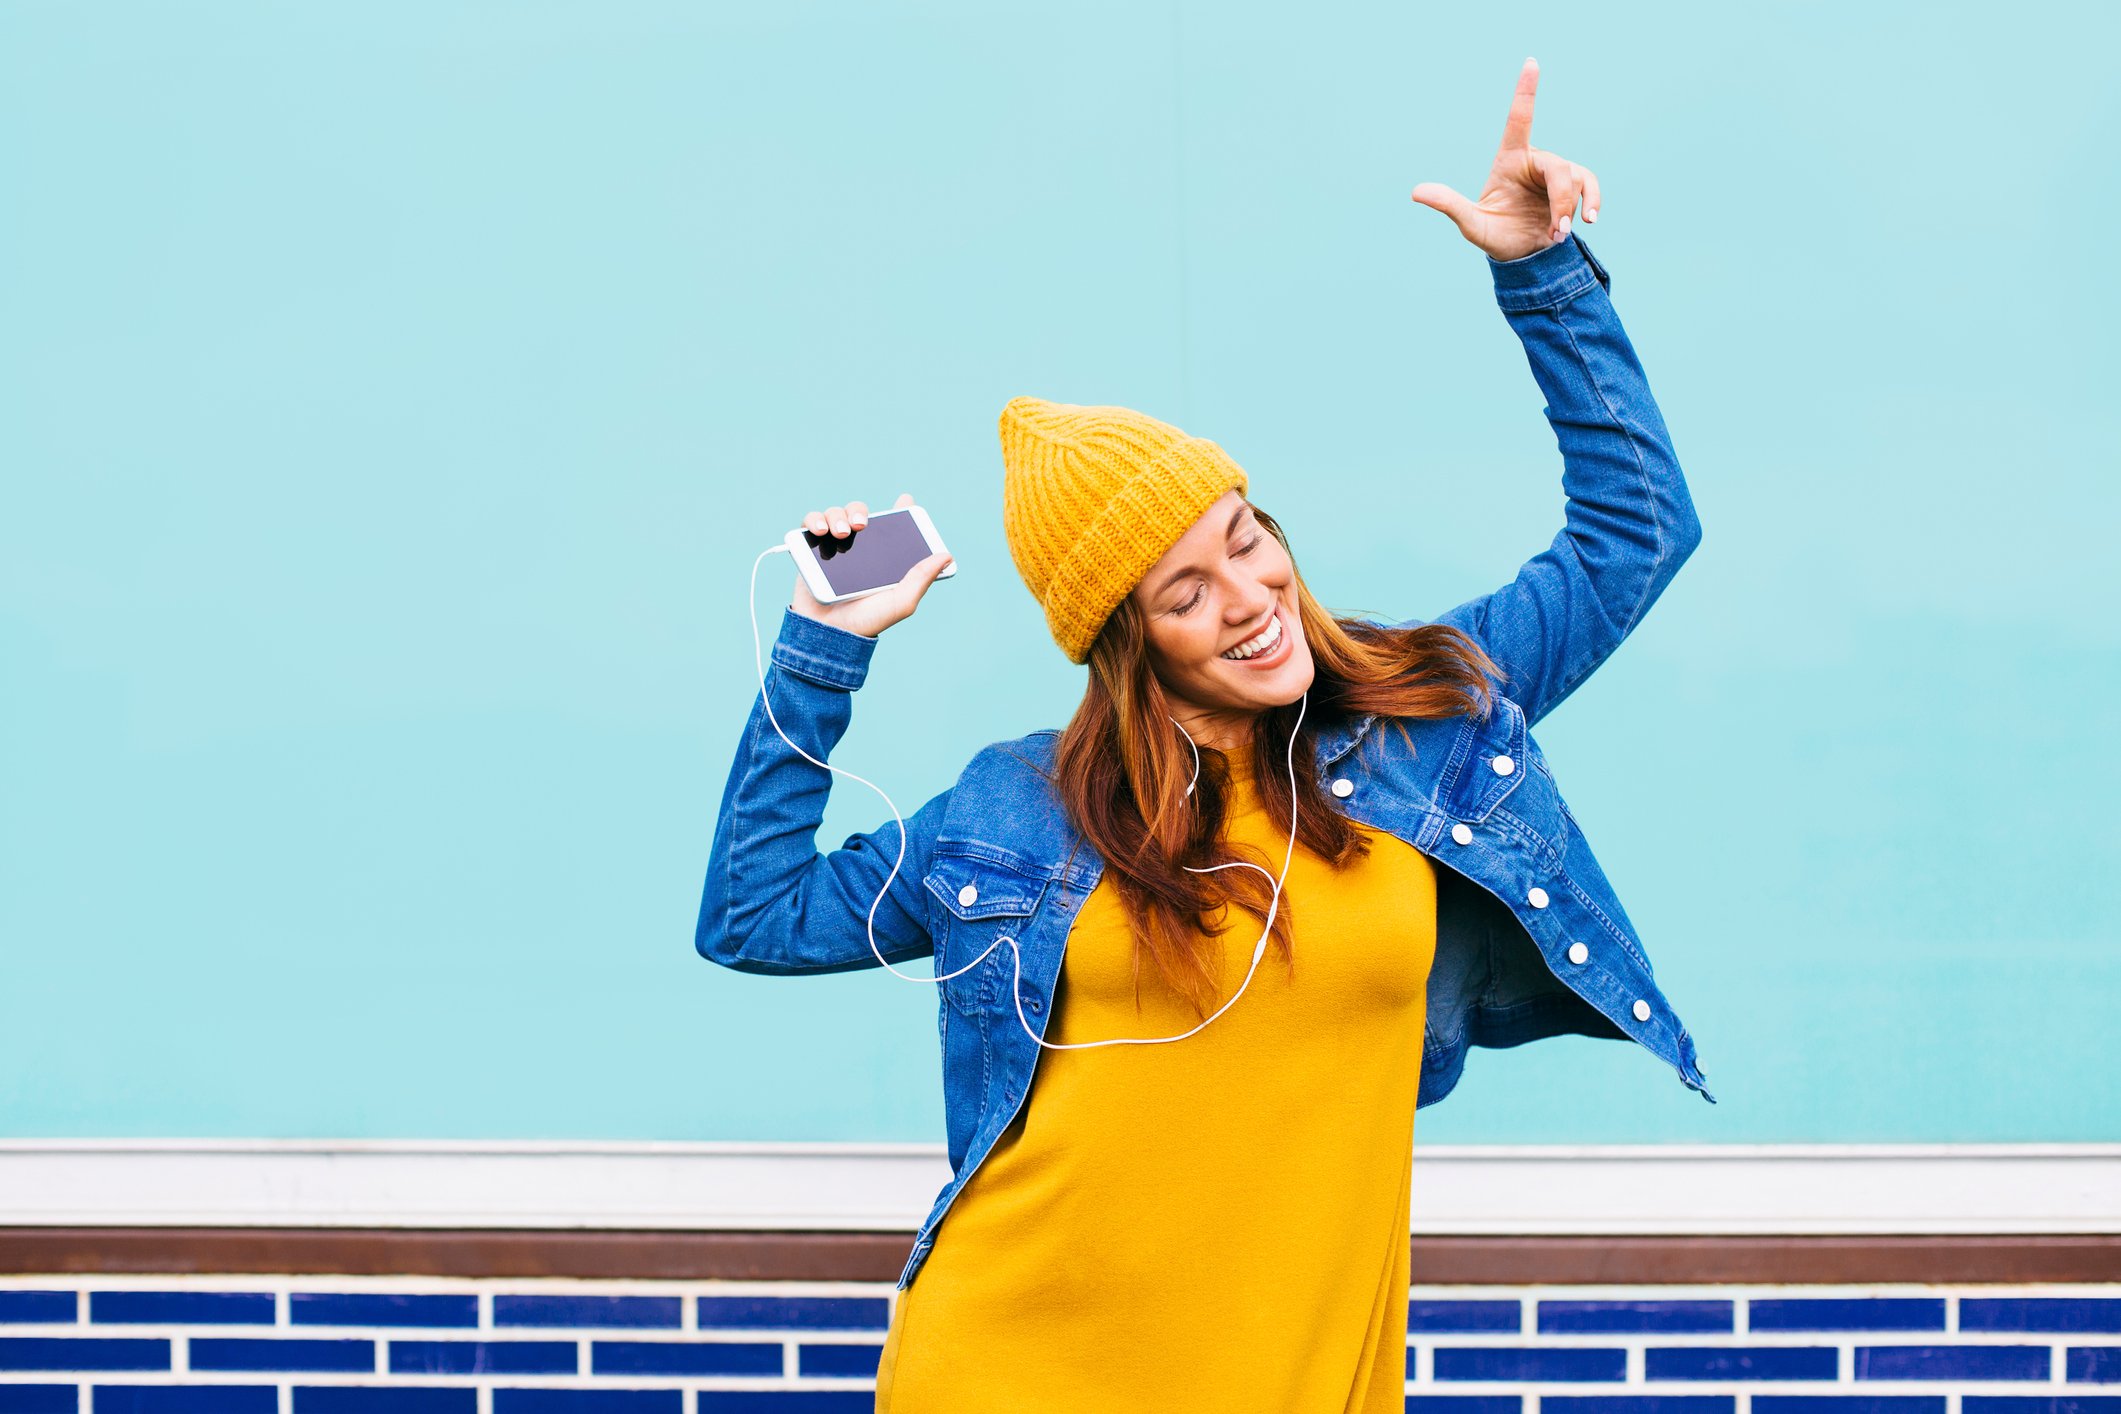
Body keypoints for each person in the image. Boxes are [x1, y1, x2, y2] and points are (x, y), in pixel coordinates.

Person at [696, 56, 1710, 1413]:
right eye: (1184, 593)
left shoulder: (1414, 717)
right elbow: (752, 915)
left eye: (1244, 538)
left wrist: (1541, 275)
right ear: (1128, 643)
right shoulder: (1017, 810)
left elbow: (1637, 531)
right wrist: (827, 640)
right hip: (1007, 1370)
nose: (1248, 597)